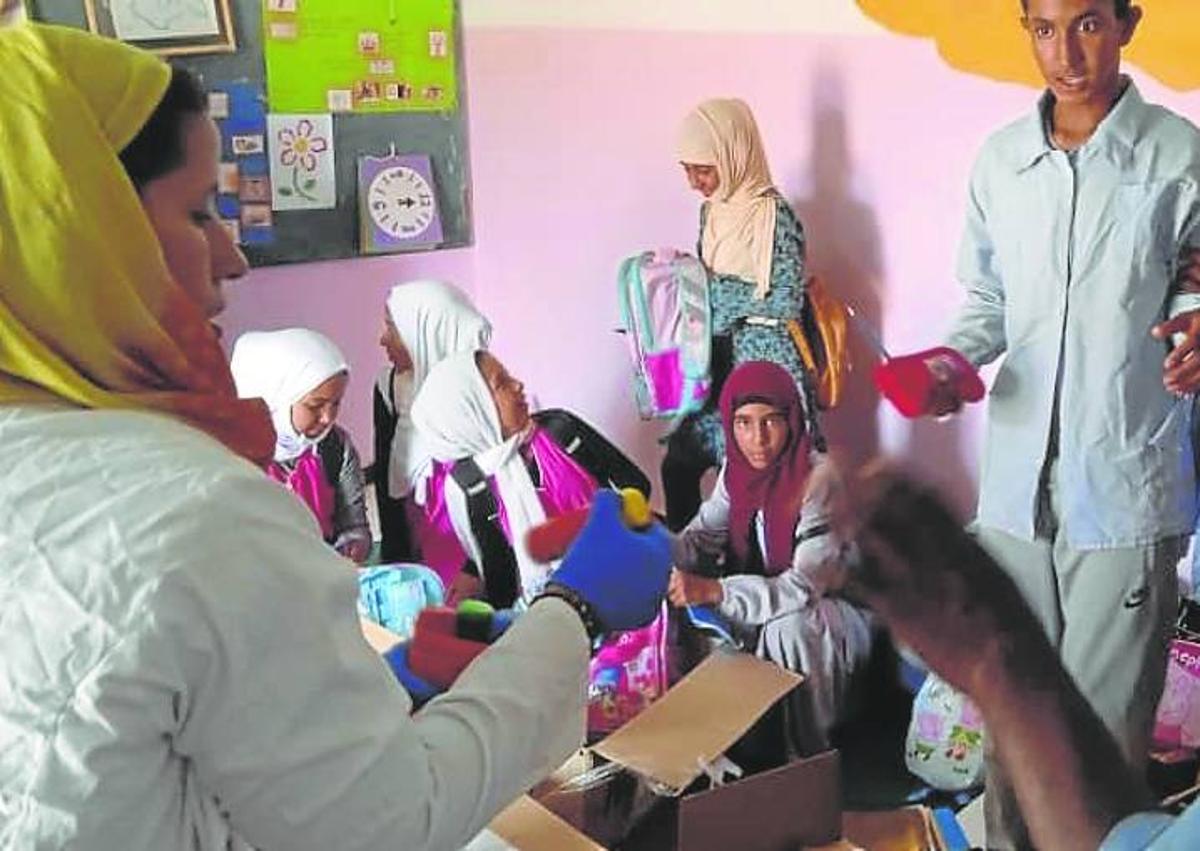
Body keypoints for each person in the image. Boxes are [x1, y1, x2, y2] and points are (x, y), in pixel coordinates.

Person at [0, 23, 671, 850]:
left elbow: (137, 751)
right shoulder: (193, 510)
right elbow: (389, 821)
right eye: (198, 208)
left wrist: (366, 690)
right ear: (83, 235)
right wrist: (577, 607)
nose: (231, 255)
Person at [916, 2, 1200, 845]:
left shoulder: (1179, 157)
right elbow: (990, 302)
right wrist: (947, 367)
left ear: (1127, 23)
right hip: (1014, 498)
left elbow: (1194, 287)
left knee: (1098, 747)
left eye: (1086, 24)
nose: (1066, 53)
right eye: (1045, 28)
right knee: (1011, 719)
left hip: (1124, 493)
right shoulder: (1002, 162)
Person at [847, 466, 1200, 850]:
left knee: (1107, 712)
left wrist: (999, 669)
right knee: (1005, 736)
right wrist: (998, 665)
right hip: (1020, 482)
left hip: (1124, 496)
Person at [669, 361, 873, 753]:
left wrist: (716, 590)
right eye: (743, 423)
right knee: (691, 618)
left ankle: (810, 755)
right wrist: (655, 550)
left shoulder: (818, 479)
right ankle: (754, 740)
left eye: (770, 422)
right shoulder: (737, 472)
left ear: (792, 420)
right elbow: (703, 534)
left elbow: (803, 587)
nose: (757, 439)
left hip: (837, 611)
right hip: (778, 596)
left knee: (787, 628)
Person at [663, 97, 816, 530]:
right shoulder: (711, 212)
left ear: (734, 155)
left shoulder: (774, 215)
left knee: (752, 485)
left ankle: (740, 586)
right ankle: (687, 570)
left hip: (763, 366)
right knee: (679, 461)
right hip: (716, 361)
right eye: (687, 169)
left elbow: (786, 297)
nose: (694, 181)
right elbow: (708, 284)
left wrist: (713, 294)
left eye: (704, 168)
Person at [410, 350, 651, 607]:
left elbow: (637, 486)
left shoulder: (561, 430)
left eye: (508, 377)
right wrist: (473, 573)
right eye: (501, 384)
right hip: (557, 609)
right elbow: (500, 579)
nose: (517, 385)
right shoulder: (471, 487)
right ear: (472, 411)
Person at [373, 279, 491, 578]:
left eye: (393, 328)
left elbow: (495, 496)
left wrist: (475, 571)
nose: (382, 339)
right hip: (415, 539)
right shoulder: (389, 387)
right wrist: (394, 558)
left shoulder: (481, 392)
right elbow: (387, 478)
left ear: (426, 333)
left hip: (470, 549)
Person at [230, 327, 371, 564]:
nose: (327, 418)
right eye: (315, 406)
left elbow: (354, 523)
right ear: (275, 398)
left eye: (336, 403)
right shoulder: (233, 456)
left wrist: (354, 544)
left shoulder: (335, 448)